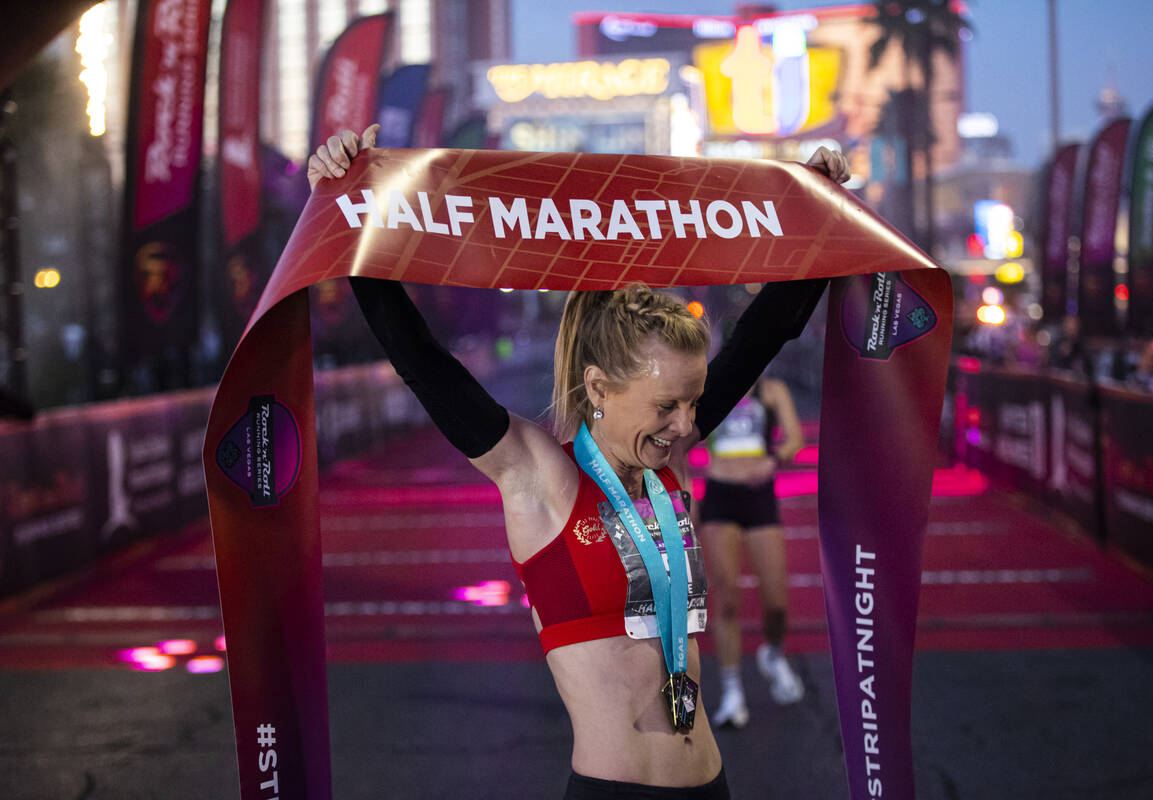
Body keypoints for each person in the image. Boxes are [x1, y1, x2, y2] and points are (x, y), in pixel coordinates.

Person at [308, 126, 849, 798]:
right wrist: (350, 205)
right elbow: (423, 362)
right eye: (665, 407)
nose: (686, 426)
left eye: (692, 404)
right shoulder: (537, 474)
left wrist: (823, 209)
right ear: (599, 388)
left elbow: (762, 336)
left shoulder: (666, 452)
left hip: (713, 785)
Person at [701, 375, 807, 729]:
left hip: (760, 497)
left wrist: (773, 460)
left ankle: (773, 653)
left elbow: (795, 439)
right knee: (727, 599)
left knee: (777, 603)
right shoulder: (708, 389)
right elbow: (679, 438)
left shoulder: (772, 390)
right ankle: (733, 693)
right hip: (719, 495)